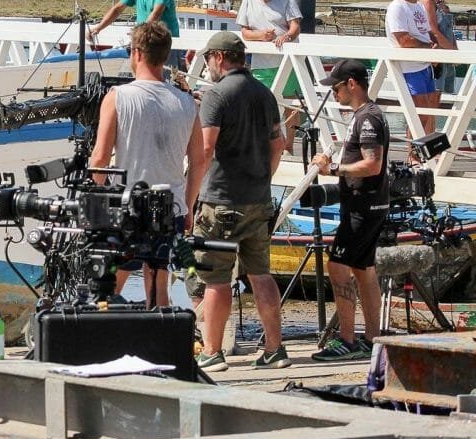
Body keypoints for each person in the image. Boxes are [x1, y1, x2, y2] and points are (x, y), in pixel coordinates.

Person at [89, 22, 206, 307]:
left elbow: (100, 158)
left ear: (137, 53)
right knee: (158, 284)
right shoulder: (187, 103)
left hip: (128, 204)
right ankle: (159, 331)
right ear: (164, 56)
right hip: (169, 205)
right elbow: (199, 160)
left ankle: (104, 331)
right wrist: (188, 205)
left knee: (108, 284)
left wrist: (93, 210)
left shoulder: (118, 97)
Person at [191, 31, 288, 372]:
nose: (207, 65)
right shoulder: (265, 94)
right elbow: (278, 145)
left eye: (208, 59)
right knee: (261, 275)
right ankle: (275, 348)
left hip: (221, 199)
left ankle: (212, 352)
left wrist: (190, 194)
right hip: (258, 200)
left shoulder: (217, 95)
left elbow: (205, 149)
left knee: (215, 279)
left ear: (219, 57)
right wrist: (264, 179)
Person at [309, 60, 389, 360]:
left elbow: (372, 164)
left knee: (338, 265)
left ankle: (347, 339)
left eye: (337, 87)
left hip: (363, 205)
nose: (335, 93)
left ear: (352, 84)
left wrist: (333, 169)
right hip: (369, 203)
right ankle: (372, 337)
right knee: (364, 269)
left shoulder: (368, 118)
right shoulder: (366, 115)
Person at [237, 0, 303, 153]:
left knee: (291, 104)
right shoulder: (248, 2)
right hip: (261, 64)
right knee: (262, 105)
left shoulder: (286, 0)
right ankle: (273, 144)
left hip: (287, 61)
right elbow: (244, 32)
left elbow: (295, 27)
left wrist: (285, 37)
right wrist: (261, 36)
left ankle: (289, 145)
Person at [88, 0, 182, 70]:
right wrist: (98, 28)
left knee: (167, 75)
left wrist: (139, 34)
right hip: (144, 39)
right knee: (140, 73)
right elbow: (118, 9)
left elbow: (156, 13)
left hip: (164, 41)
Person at [385, 0, 439, 136]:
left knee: (429, 113)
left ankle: (425, 149)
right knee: (419, 115)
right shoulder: (397, 8)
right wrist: (429, 47)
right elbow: (404, 40)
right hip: (409, 68)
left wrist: (435, 50)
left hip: (424, 66)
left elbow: (426, 32)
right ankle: (413, 151)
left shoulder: (419, 7)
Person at [421, 0, 458, 97]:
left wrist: (455, 49)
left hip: (447, 58)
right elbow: (433, 31)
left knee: (446, 98)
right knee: (434, 98)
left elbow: (449, 31)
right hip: (437, 59)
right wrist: (453, 51)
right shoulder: (427, 1)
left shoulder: (442, 3)